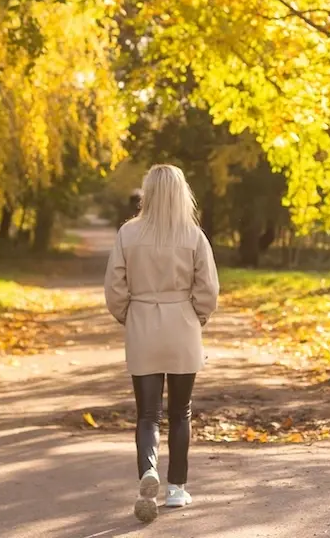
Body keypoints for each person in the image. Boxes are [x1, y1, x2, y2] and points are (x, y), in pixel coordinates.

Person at [104, 164, 219, 524]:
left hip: (143, 325)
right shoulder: (193, 235)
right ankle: (177, 489)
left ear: (148, 193)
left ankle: (148, 471)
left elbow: (114, 288)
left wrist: (129, 316)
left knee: (147, 414)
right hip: (182, 326)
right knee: (181, 412)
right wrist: (197, 316)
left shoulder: (128, 234)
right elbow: (208, 289)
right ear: (182, 193)